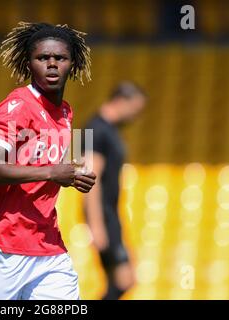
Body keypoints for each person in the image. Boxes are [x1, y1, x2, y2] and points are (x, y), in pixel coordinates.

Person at [0, 22, 96, 300]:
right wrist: (50, 172)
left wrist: (74, 175)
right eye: (42, 58)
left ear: (72, 63)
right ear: (29, 63)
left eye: (59, 58)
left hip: (48, 247)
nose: (51, 65)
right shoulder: (18, 105)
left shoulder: (65, 113)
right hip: (5, 246)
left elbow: (50, 165)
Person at [83, 82, 146, 300]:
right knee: (124, 279)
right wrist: (96, 224)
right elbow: (88, 178)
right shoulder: (94, 129)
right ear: (121, 101)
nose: (135, 117)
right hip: (102, 215)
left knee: (122, 280)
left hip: (110, 213)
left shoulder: (108, 130)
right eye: (135, 110)